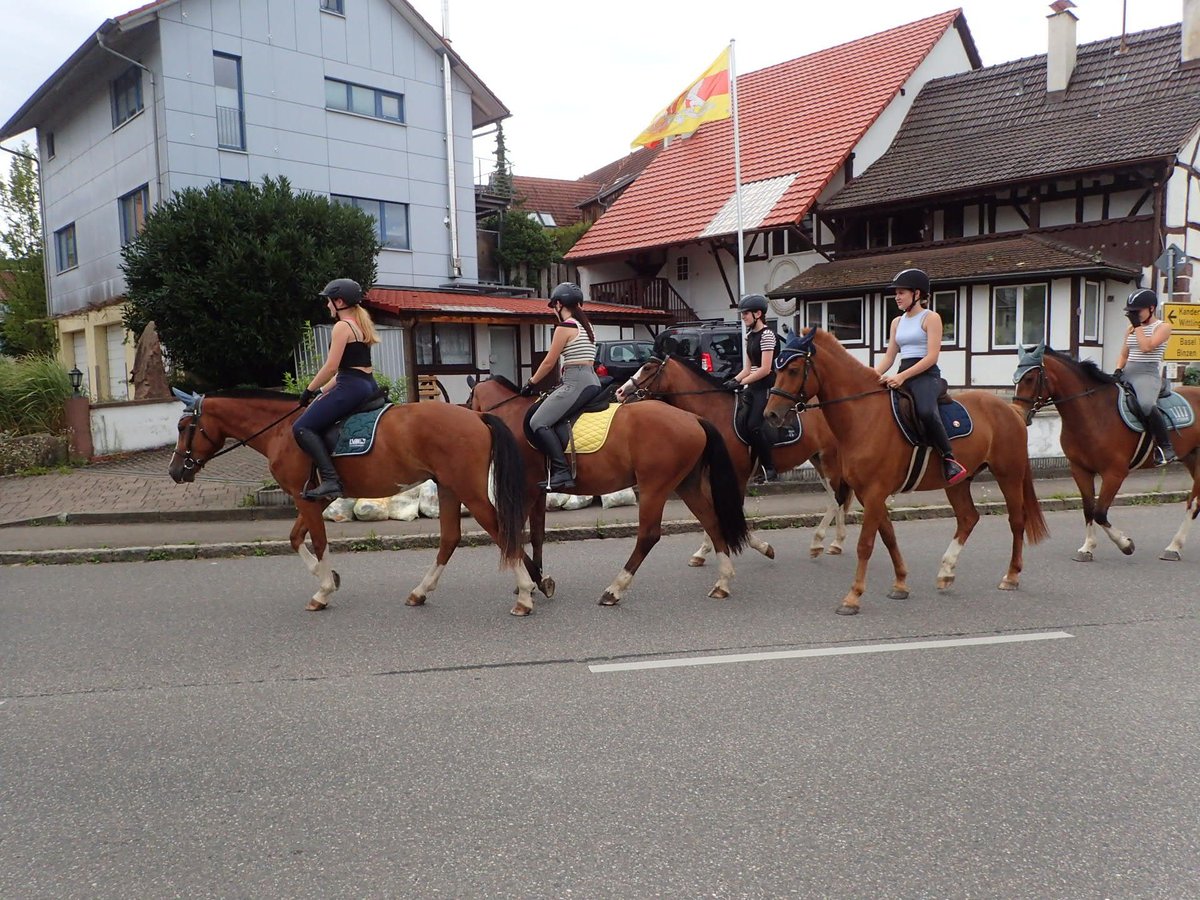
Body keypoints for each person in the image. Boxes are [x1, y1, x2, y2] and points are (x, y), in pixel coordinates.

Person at [874, 268, 969, 486]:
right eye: (896, 293)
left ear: (917, 294)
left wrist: (902, 376)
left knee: (925, 410)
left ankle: (949, 458)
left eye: (901, 292)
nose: (897, 297)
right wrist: (871, 375)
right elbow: (889, 356)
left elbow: (932, 357)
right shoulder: (896, 322)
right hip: (903, 374)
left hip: (926, 376)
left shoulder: (931, 318)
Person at [292, 278, 380, 500]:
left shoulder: (342, 326)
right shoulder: (360, 326)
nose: (327, 305)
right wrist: (321, 392)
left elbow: (332, 367)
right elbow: (348, 369)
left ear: (339, 302)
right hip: (367, 384)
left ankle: (331, 480)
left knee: (302, 427)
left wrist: (308, 390)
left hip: (351, 387)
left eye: (329, 300)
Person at [522, 282, 599, 491]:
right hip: (592, 381)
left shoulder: (565, 327)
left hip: (576, 382)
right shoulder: (587, 326)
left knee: (538, 422)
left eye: (553, 306)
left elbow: (549, 362)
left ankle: (562, 472)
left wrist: (530, 383)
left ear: (558, 304)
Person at [1115, 288, 1176, 464]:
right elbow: (1124, 354)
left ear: (1151, 308)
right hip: (1128, 371)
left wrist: (1137, 327)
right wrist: (1118, 370)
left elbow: (1147, 347)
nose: (1134, 316)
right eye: (1131, 313)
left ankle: (1166, 447)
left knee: (1146, 404)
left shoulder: (1163, 327)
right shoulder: (1130, 329)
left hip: (1146, 374)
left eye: (1137, 312)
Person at [724, 293, 778, 483]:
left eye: (745, 313)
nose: (743, 317)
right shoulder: (749, 336)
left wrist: (741, 382)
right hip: (752, 386)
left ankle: (769, 467)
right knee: (737, 420)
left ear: (758, 314)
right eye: (742, 313)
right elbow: (747, 369)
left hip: (766, 386)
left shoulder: (768, 336)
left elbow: (765, 369)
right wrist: (732, 381)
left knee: (754, 425)